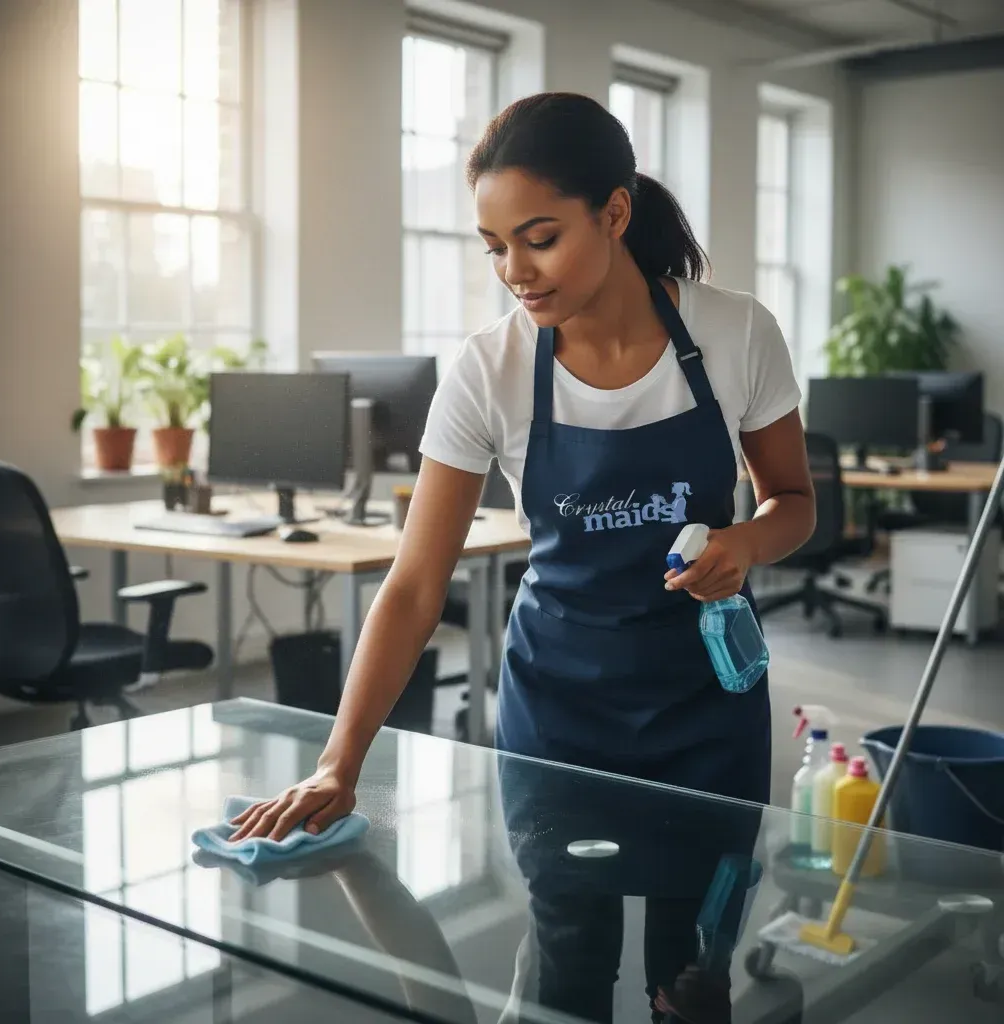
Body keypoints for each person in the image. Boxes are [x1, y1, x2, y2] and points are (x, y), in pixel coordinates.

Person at [228, 91, 815, 1019]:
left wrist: (747, 540)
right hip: (561, 715)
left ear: (614, 213)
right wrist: (340, 763)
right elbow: (416, 585)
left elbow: (796, 504)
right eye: (493, 246)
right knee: (568, 976)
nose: (514, 271)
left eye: (538, 238)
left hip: (708, 711)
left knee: (692, 982)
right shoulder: (490, 369)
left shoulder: (735, 332)